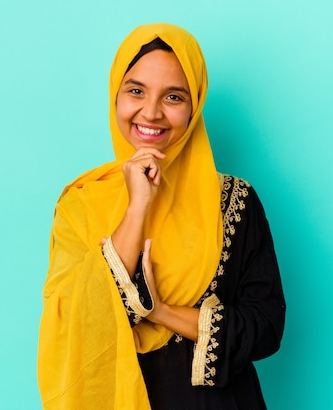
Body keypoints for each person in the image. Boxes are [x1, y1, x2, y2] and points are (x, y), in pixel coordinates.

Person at [37, 23, 286, 410]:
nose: (150, 113)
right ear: (115, 96)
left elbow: (266, 328)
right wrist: (138, 205)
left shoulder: (234, 202)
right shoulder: (82, 204)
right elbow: (73, 324)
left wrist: (162, 311)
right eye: (135, 91)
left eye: (173, 96)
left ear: (195, 105)